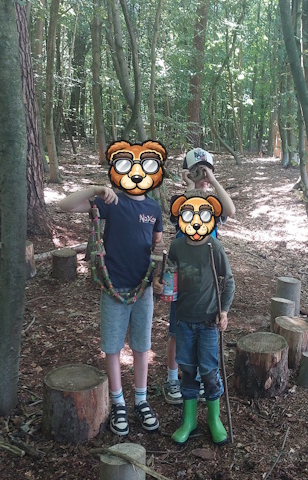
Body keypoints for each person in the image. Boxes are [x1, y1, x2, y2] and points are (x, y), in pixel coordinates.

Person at [60, 140, 167, 436]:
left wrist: (160, 270)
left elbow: (158, 244)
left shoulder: (153, 207)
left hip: (143, 289)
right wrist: (96, 190)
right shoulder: (111, 202)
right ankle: (118, 401)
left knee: (142, 347)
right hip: (114, 288)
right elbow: (65, 206)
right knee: (112, 347)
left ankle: (141, 400)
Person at [154, 193, 235, 445]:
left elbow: (228, 281)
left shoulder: (214, 247)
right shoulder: (177, 247)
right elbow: (167, 276)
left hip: (209, 321)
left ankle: (214, 419)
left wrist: (224, 312)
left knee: (209, 372)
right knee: (188, 371)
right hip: (184, 320)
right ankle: (188, 420)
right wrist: (159, 283)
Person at [162, 148, 236, 405]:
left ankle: (206, 377)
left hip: (207, 276)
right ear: (187, 172)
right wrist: (190, 186)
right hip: (183, 277)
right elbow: (177, 215)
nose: (202, 175)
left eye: (206, 170)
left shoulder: (213, 204)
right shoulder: (181, 200)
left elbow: (231, 210)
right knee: (177, 331)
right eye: (197, 170)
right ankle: (173, 378)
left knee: (207, 329)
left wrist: (212, 182)